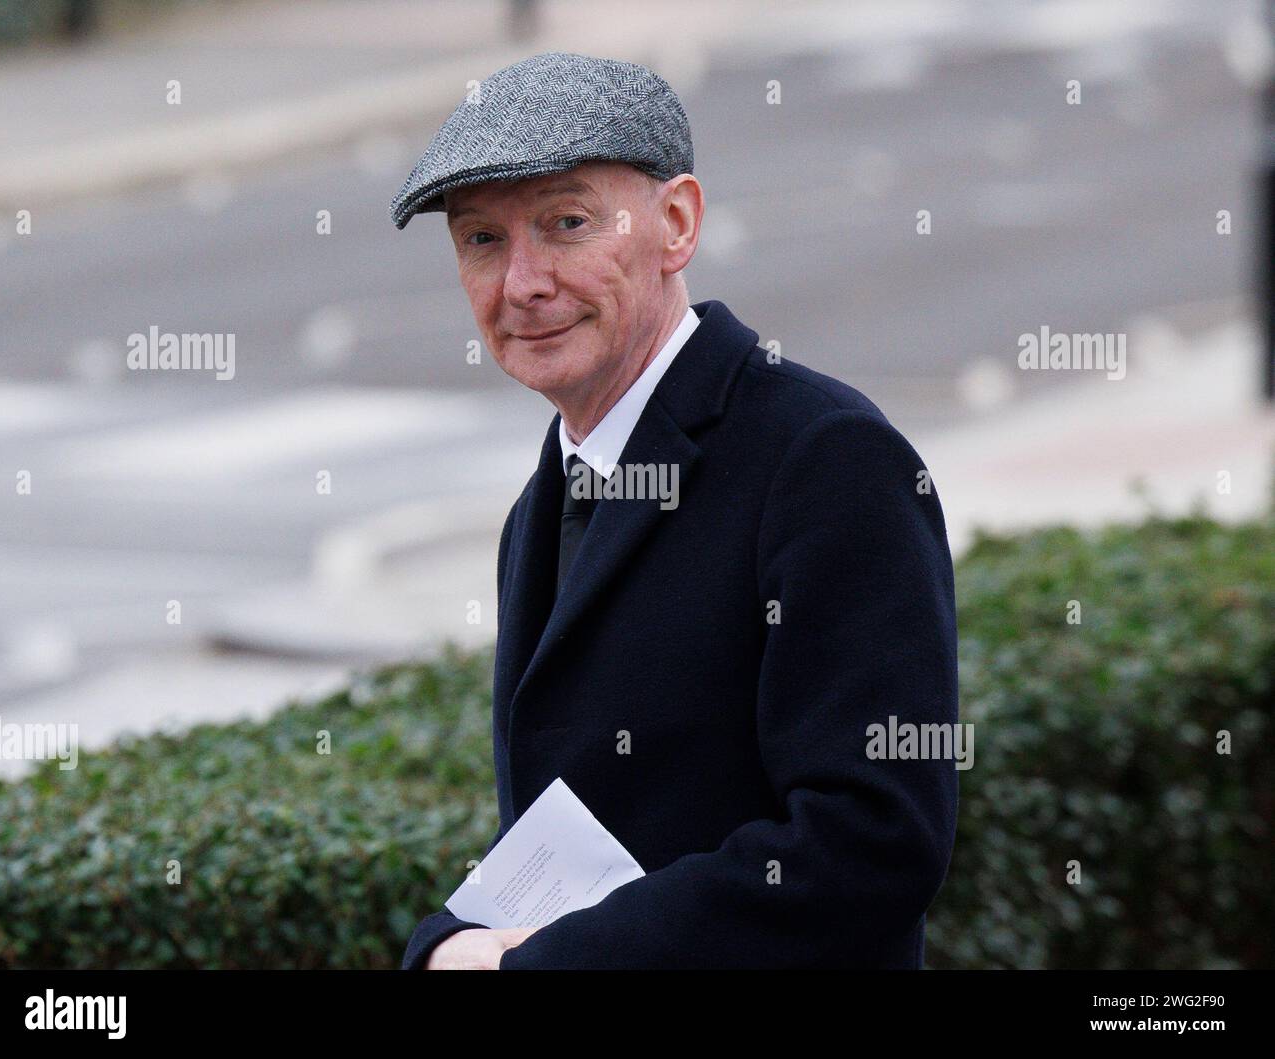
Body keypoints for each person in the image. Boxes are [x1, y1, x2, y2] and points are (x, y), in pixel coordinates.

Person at [389, 51, 959, 970]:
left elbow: (872, 842)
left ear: (678, 223)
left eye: (566, 223)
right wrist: (446, 946)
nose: (522, 282)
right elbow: (566, 837)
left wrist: (537, 965)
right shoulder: (539, 507)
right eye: (480, 240)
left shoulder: (825, 457)